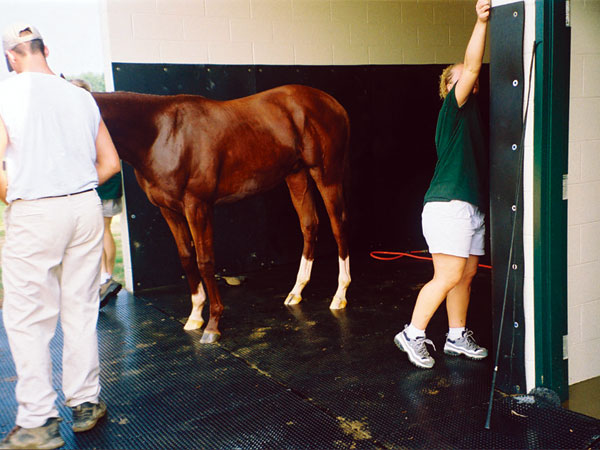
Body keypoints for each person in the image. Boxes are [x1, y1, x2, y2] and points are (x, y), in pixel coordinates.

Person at [0, 22, 121, 449]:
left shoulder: (6, 93)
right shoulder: (81, 96)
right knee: (80, 307)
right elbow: (110, 163)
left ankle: (37, 421)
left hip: (36, 209)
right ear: (44, 49)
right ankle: (86, 403)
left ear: (11, 57)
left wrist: (16, 196)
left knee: (28, 316)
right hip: (84, 206)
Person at [393, 0, 490, 370]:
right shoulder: (453, 108)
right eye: (461, 76)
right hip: (448, 205)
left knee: (465, 277)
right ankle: (412, 334)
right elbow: (474, 65)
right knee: (448, 274)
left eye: (471, 77)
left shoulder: (472, 119)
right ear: (449, 87)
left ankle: (456, 336)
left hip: (470, 206)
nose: (470, 77)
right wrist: (481, 22)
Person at [69, 78, 123, 308]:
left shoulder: (96, 117)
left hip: (104, 182)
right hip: (92, 183)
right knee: (94, 232)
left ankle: (106, 276)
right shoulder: (78, 119)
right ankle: (101, 277)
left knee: (103, 230)